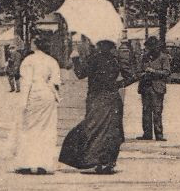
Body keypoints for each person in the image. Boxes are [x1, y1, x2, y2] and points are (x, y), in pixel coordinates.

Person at [58, 37, 135, 174]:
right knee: (111, 130)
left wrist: (75, 59)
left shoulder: (93, 59)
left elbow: (80, 74)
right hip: (111, 99)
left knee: (93, 127)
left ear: (99, 45)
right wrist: (117, 85)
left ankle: (95, 160)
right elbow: (131, 76)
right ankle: (108, 162)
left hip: (96, 98)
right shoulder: (115, 60)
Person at [11, 34, 61, 174]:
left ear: (35, 44)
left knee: (29, 128)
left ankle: (26, 163)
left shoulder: (29, 60)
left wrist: (23, 102)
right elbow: (56, 82)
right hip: (47, 95)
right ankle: (43, 164)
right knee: (46, 129)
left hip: (34, 94)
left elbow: (26, 82)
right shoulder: (51, 61)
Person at [136, 36, 171, 141]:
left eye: (152, 48)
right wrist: (143, 74)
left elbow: (167, 72)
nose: (150, 50)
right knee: (146, 111)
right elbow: (138, 72)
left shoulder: (163, 57)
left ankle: (159, 134)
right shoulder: (144, 57)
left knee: (157, 111)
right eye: (149, 48)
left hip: (157, 88)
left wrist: (153, 71)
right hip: (145, 87)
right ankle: (147, 134)